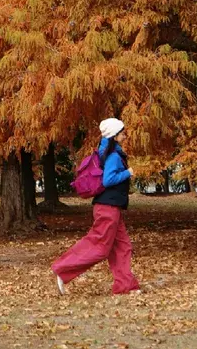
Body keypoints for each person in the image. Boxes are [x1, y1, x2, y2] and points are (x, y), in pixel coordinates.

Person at [51, 118, 140, 296]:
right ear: (114, 136)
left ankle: (125, 286)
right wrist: (127, 173)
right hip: (108, 208)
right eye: (122, 132)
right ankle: (63, 269)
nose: (125, 135)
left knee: (122, 246)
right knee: (100, 246)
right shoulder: (114, 156)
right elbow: (108, 180)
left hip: (111, 206)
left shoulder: (111, 152)